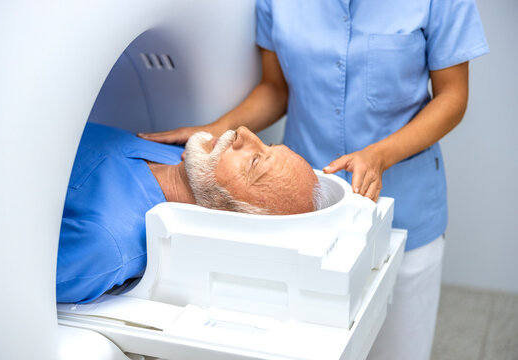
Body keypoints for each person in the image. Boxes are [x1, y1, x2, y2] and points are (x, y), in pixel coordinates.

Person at [138, 1, 489, 359]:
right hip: (298, 211)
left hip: (407, 198)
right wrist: (212, 132)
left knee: (401, 349)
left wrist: (380, 155)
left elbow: (453, 96)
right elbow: (276, 88)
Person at [57, 122, 319, 303]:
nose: (244, 132)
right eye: (268, 144)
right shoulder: (186, 158)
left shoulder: (103, 246)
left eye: (254, 161)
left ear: (230, 215)